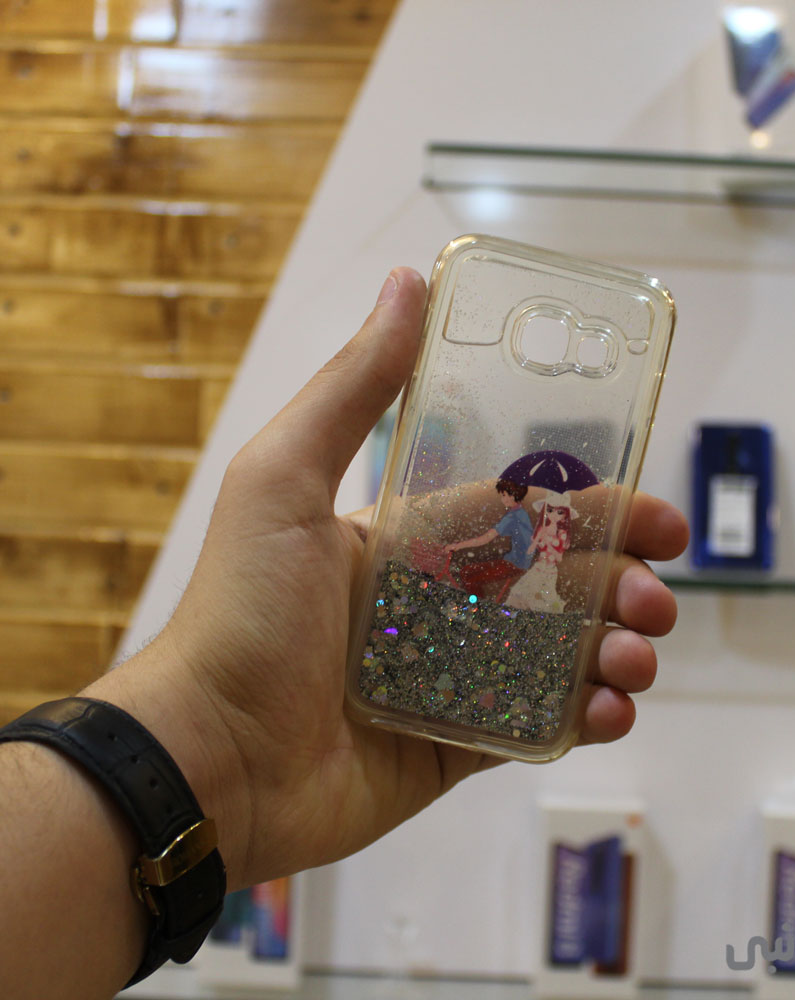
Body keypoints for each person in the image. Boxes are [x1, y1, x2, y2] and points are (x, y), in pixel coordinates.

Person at [0, 267, 688, 999]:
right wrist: (212, 728)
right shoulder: (520, 520)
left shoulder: (535, 524)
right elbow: (488, 546)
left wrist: (209, 743)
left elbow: (500, 551)